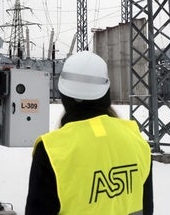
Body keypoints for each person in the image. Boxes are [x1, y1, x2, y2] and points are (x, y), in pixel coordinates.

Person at [25, 51, 153, 215]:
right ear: (106, 91)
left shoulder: (52, 150)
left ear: (64, 94)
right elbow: (147, 208)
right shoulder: (136, 141)